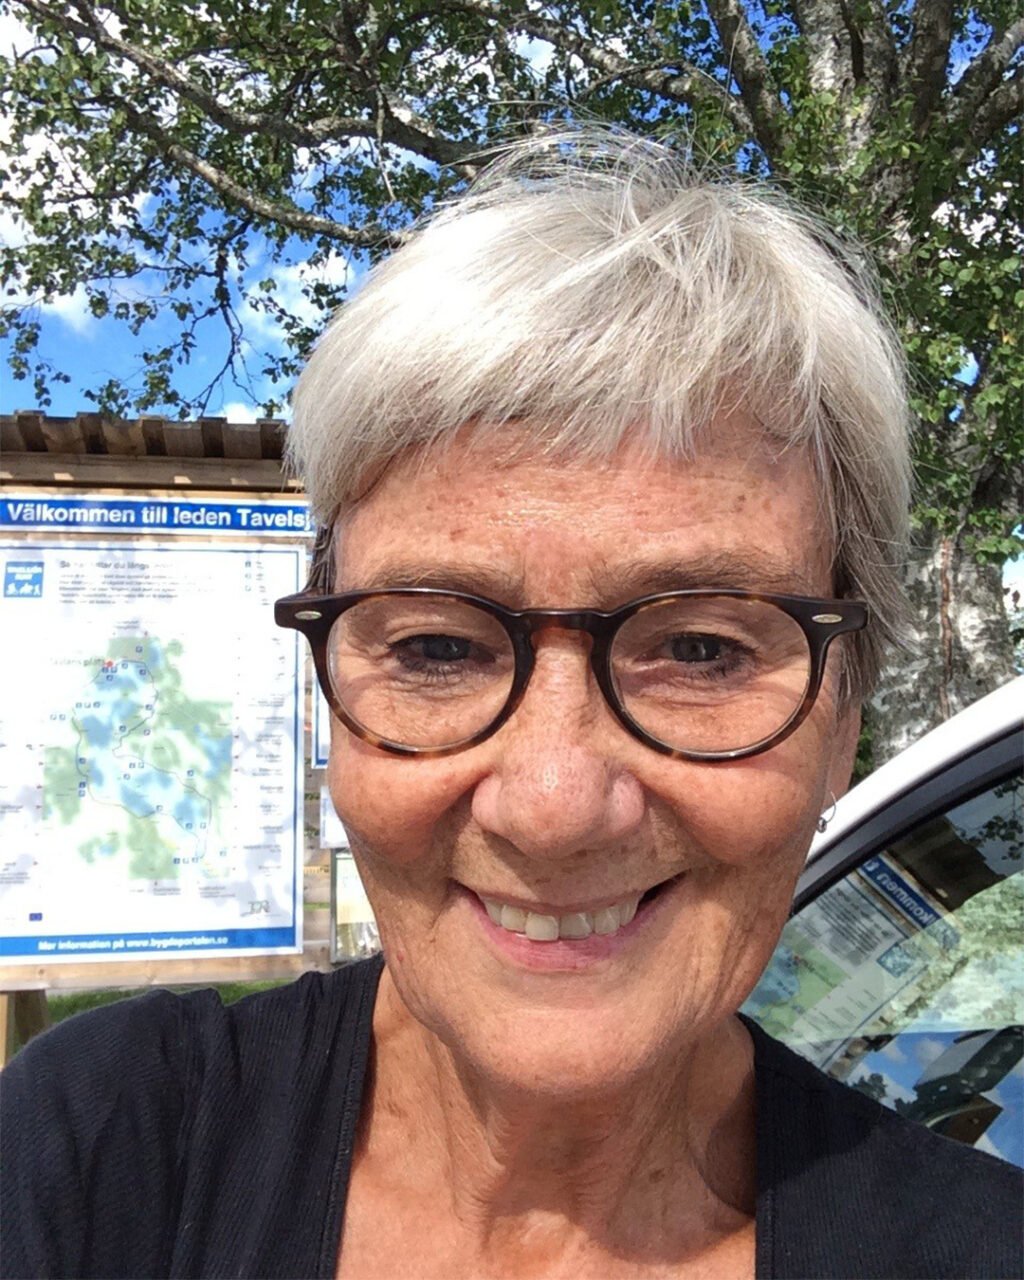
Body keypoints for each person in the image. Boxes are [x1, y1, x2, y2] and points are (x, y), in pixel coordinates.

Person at [2, 127, 1020, 1280]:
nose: (552, 805)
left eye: (699, 647)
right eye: (438, 645)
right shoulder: (99, 1150)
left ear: (844, 716)